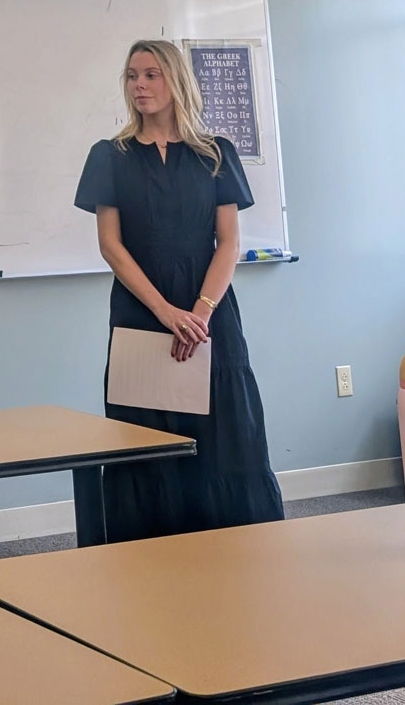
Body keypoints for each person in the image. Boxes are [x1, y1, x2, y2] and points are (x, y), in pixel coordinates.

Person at [73, 38, 283, 541]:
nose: (139, 85)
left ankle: (237, 553)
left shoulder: (216, 153)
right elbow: (111, 246)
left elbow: (229, 243)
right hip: (143, 313)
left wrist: (200, 313)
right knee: (148, 438)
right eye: (131, 76)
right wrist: (168, 312)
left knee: (225, 434)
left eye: (150, 74)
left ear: (175, 81)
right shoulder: (110, 156)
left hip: (210, 317)